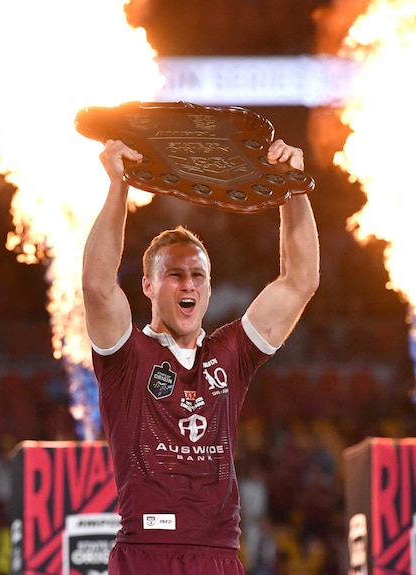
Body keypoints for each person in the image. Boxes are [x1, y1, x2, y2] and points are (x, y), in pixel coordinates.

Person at [82, 137, 320, 574]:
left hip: (219, 557)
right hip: (146, 554)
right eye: (174, 275)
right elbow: (98, 287)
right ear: (149, 287)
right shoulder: (128, 355)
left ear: (209, 287)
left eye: (198, 275)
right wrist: (118, 187)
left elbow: (299, 281)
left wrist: (295, 190)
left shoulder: (230, 354)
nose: (189, 285)